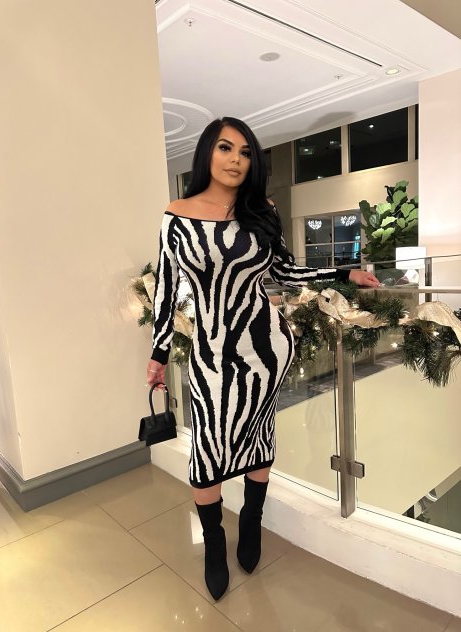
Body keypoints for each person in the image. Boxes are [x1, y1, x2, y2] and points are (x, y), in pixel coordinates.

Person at [146, 117, 379, 600]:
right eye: (225, 148)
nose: (236, 160)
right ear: (207, 153)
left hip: (264, 348)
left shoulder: (262, 210)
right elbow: (167, 290)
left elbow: (288, 273)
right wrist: (158, 353)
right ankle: (214, 541)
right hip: (211, 353)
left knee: (258, 436)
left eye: (246, 152)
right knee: (207, 449)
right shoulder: (177, 215)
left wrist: (344, 273)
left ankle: (251, 520)